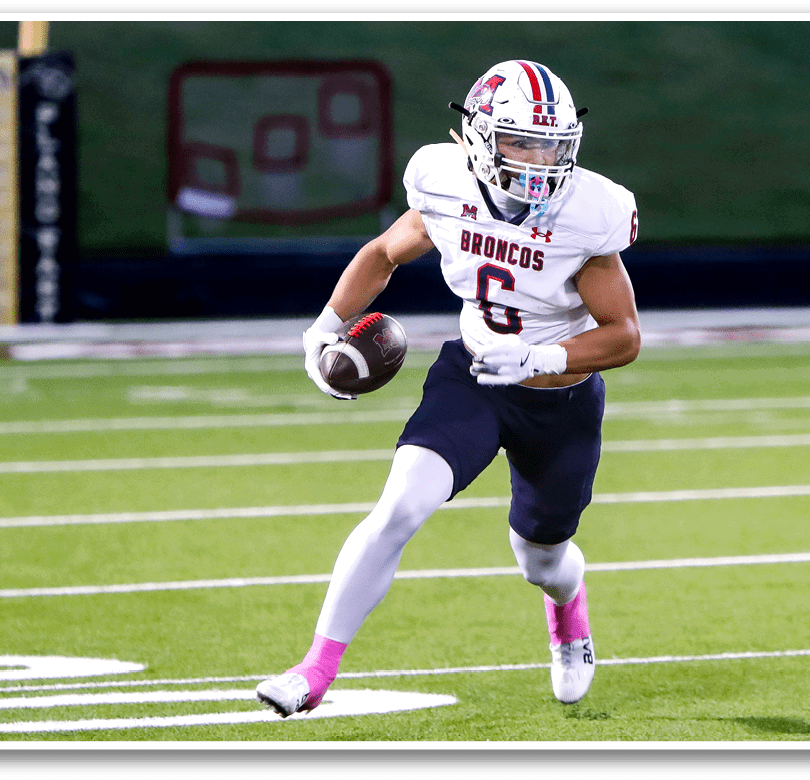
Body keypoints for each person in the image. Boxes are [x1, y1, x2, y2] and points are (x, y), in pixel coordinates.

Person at [256, 59, 640, 717]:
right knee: (399, 507)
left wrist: (540, 356)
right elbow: (382, 254)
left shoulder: (589, 211)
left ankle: (568, 610)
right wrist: (324, 327)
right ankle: (316, 668)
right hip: (472, 378)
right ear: (484, 137)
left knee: (540, 558)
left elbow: (624, 334)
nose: (543, 158)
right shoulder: (442, 182)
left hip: (561, 399)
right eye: (524, 141)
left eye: (553, 143)